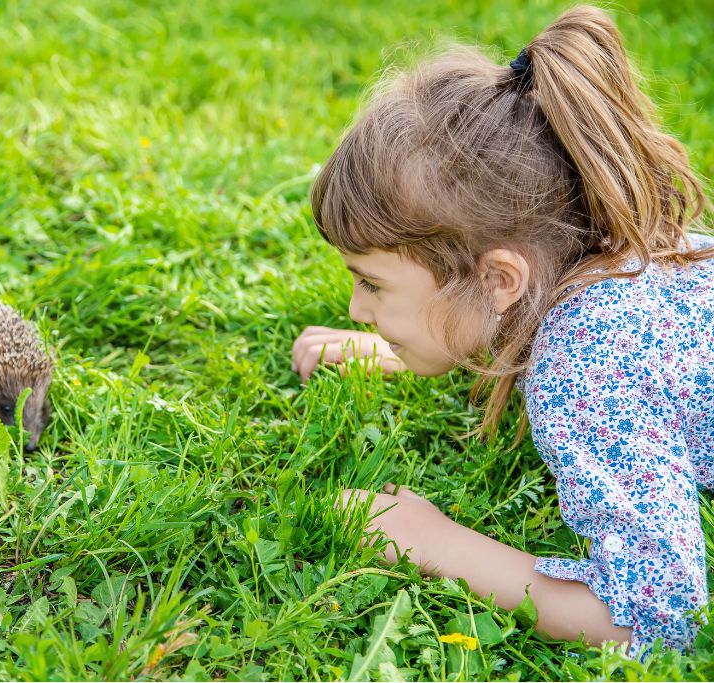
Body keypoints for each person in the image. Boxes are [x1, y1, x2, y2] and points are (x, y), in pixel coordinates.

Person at [290, 5, 714, 658]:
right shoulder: (590, 251)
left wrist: (434, 539)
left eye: (373, 283)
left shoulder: (585, 375)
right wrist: (404, 347)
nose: (355, 307)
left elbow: (662, 614)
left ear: (498, 281)